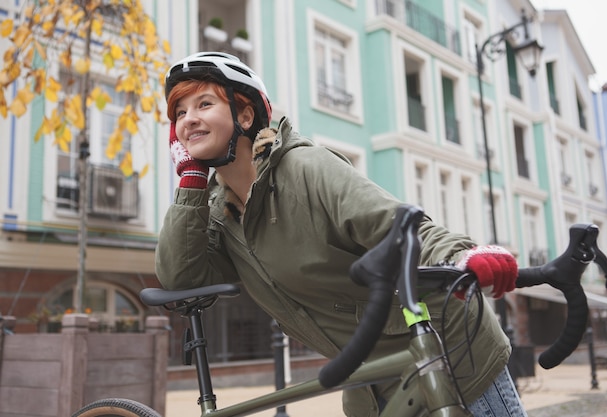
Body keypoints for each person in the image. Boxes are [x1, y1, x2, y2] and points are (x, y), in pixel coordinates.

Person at [156, 52, 525, 417]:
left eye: (204, 104)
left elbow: (395, 226)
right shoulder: (219, 214)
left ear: (246, 114)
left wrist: (463, 254)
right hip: (372, 382)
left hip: (451, 355)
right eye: (180, 113)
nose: (189, 120)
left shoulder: (305, 168)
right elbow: (180, 277)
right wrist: (191, 181)